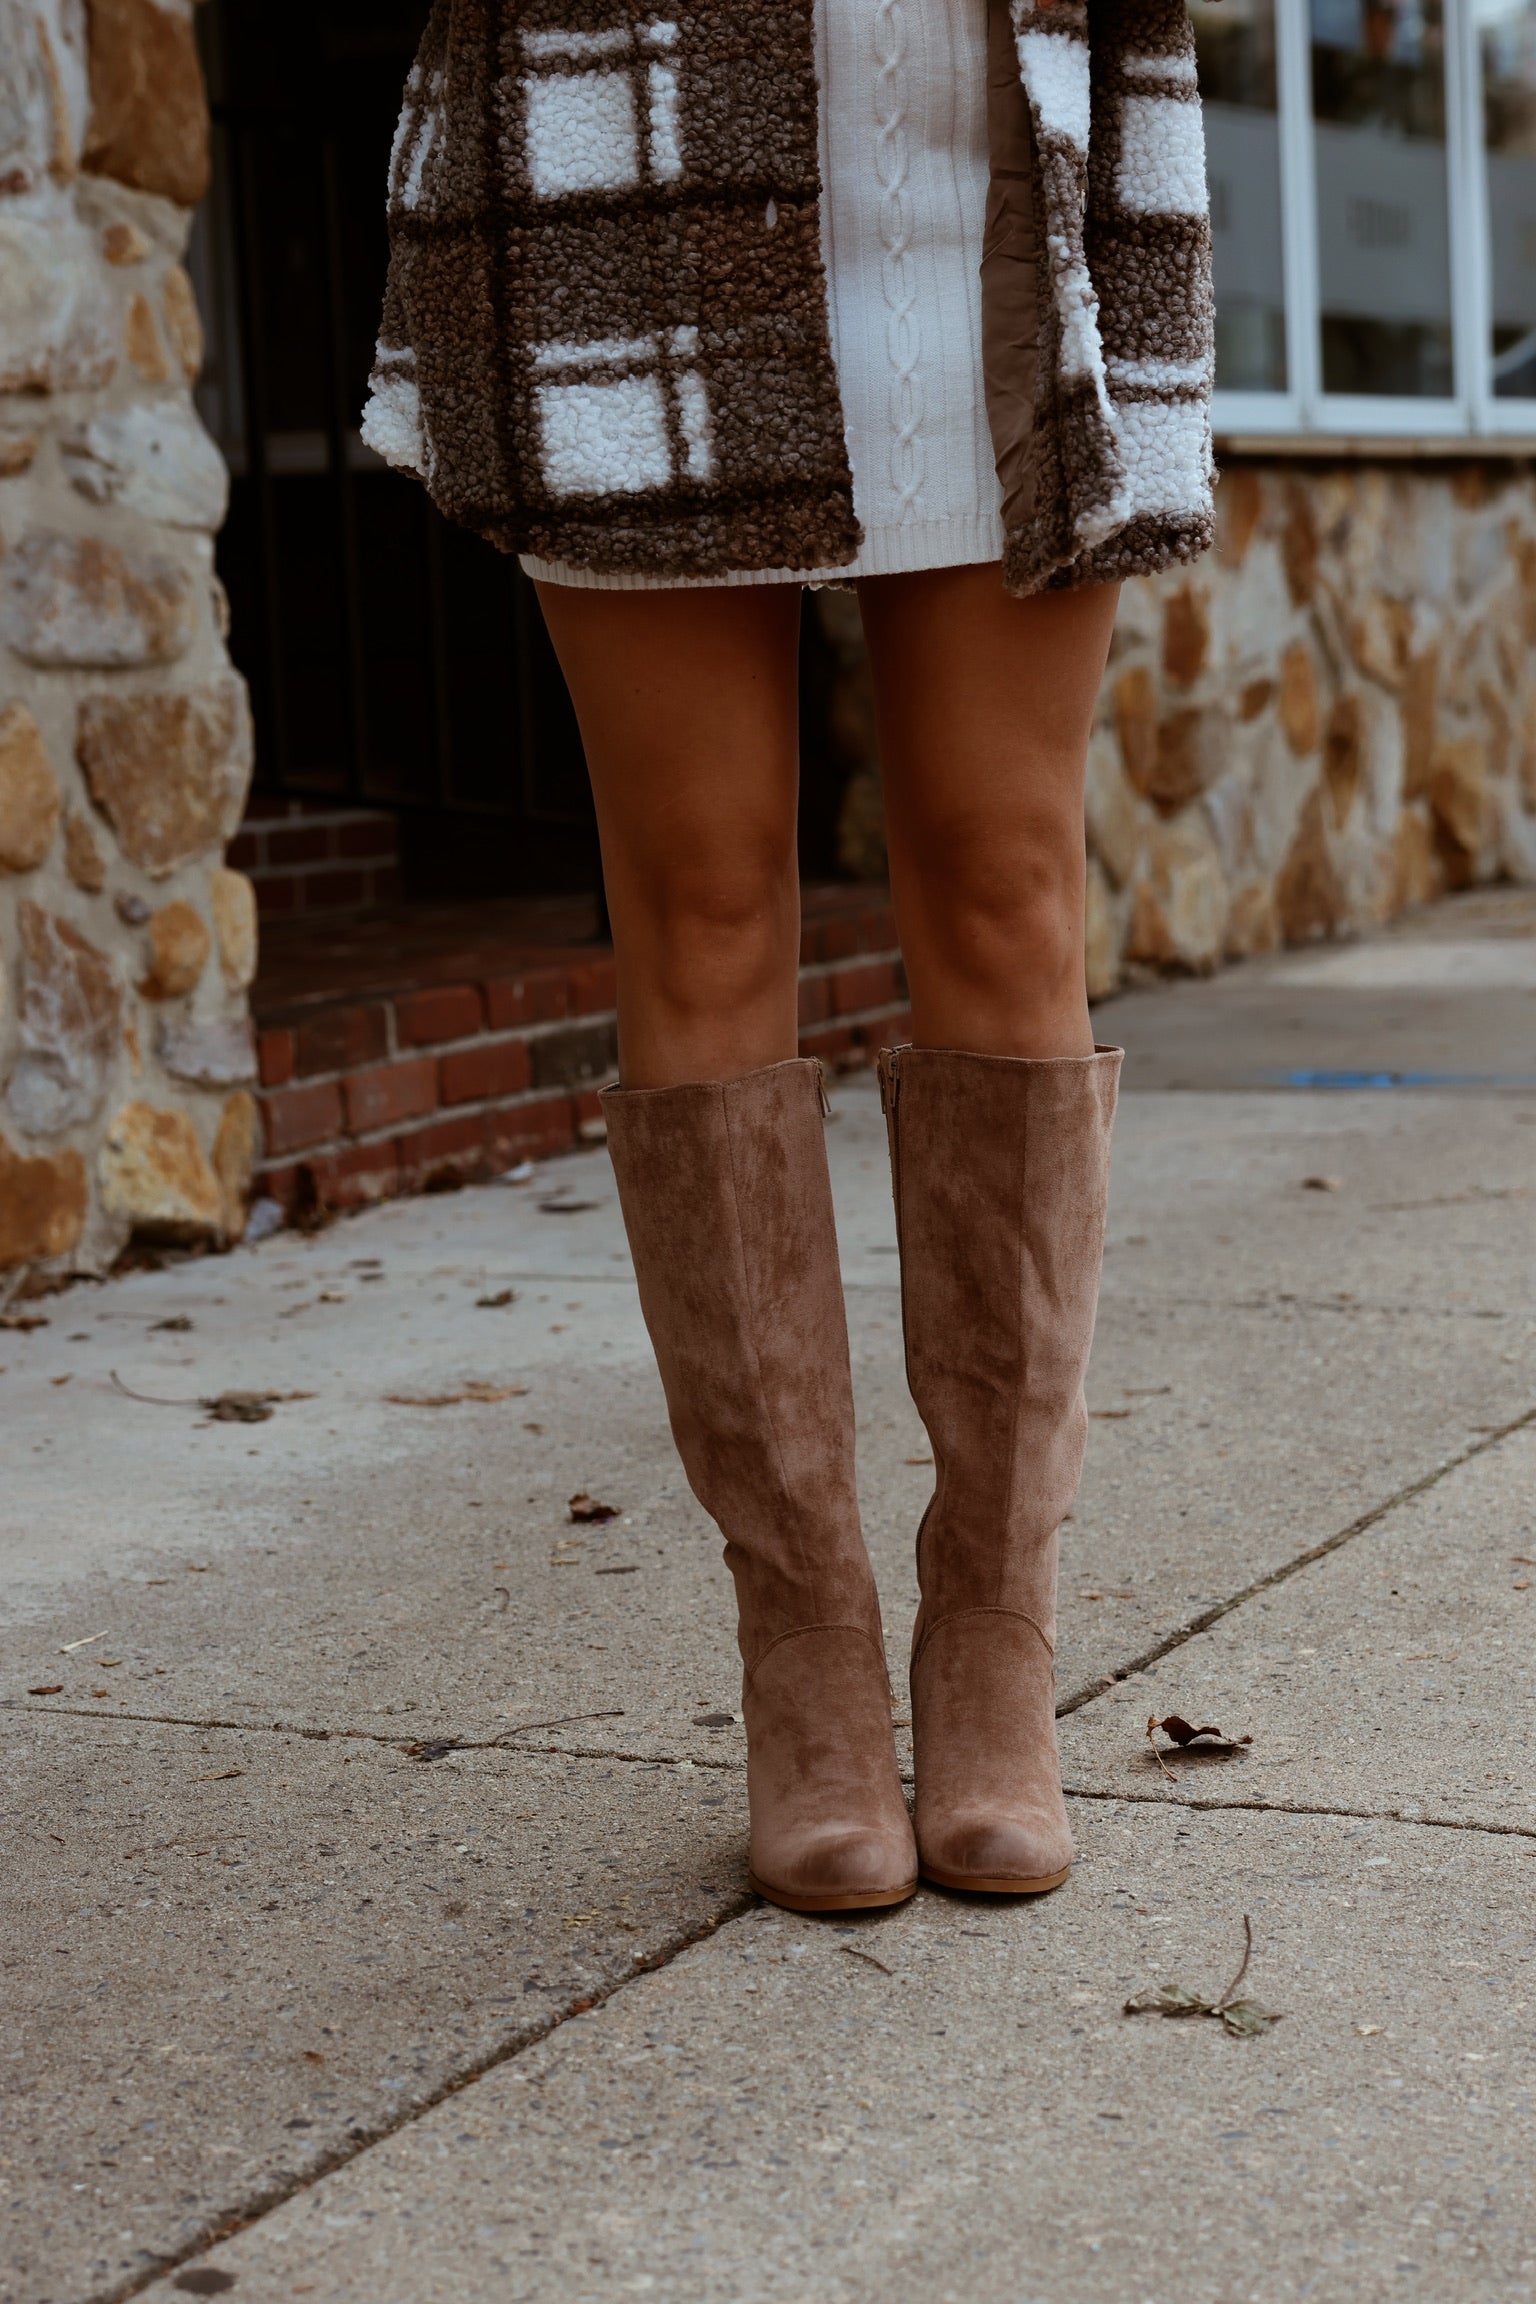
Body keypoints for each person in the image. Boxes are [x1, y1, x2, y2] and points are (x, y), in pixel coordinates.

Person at [364, 0, 1215, 1911]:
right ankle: (806, 1649)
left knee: (1007, 886)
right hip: (630, 157)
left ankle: (995, 1629)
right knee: (704, 897)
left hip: (1008, 170)